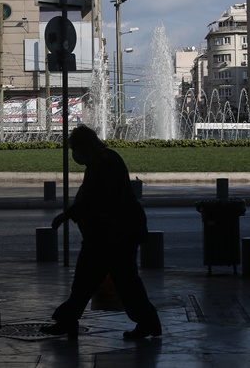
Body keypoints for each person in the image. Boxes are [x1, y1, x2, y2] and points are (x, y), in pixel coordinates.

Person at [40, 125, 161, 340]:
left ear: (86, 146)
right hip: (111, 235)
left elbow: (93, 198)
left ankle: (68, 321)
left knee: (94, 280)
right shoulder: (101, 161)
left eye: (75, 149)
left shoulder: (105, 163)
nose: (74, 155)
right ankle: (147, 322)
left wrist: (66, 215)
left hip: (112, 235)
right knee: (116, 281)